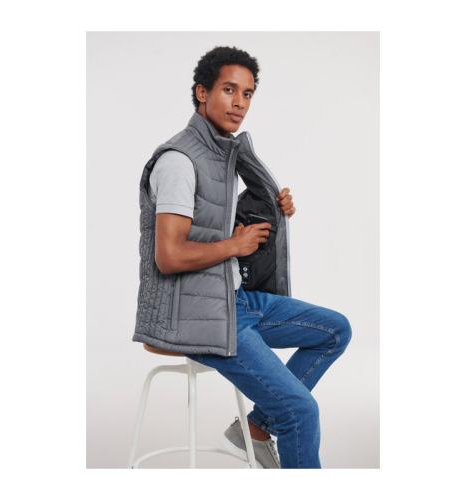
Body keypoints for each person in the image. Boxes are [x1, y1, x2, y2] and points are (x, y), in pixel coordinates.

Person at [133, 46, 352, 468]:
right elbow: (169, 255)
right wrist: (235, 246)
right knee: (300, 412)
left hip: (232, 301)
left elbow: (209, 223)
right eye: (229, 90)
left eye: (247, 93)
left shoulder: (218, 153)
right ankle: (275, 426)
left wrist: (272, 208)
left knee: (335, 330)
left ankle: (255, 427)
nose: (239, 103)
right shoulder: (179, 161)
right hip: (196, 316)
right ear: (202, 92)